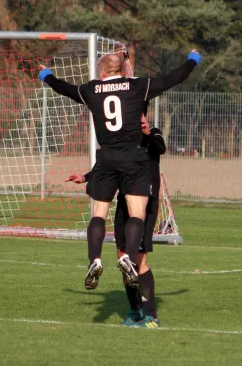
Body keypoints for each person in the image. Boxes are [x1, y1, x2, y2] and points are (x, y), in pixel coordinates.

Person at [40, 49, 200, 290]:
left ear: (102, 72)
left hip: (105, 158)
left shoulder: (91, 89)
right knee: (136, 214)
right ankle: (128, 258)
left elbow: (63, 87)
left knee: (98, 215)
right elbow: (173, 78)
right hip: (134, 158)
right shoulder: (137, 86)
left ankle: (94, 260)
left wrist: (46, 75)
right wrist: (192, 60)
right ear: (121, 69)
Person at [67, 112, 165, 328]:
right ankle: (135, 312)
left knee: (139, 260)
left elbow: (161, 148)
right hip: (124, 201)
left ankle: (151, 315)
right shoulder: (124, 138)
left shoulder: (153, 134)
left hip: (145, 204)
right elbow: (108, 166)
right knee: (123, 257)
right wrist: (86, 177)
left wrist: (147, 133)